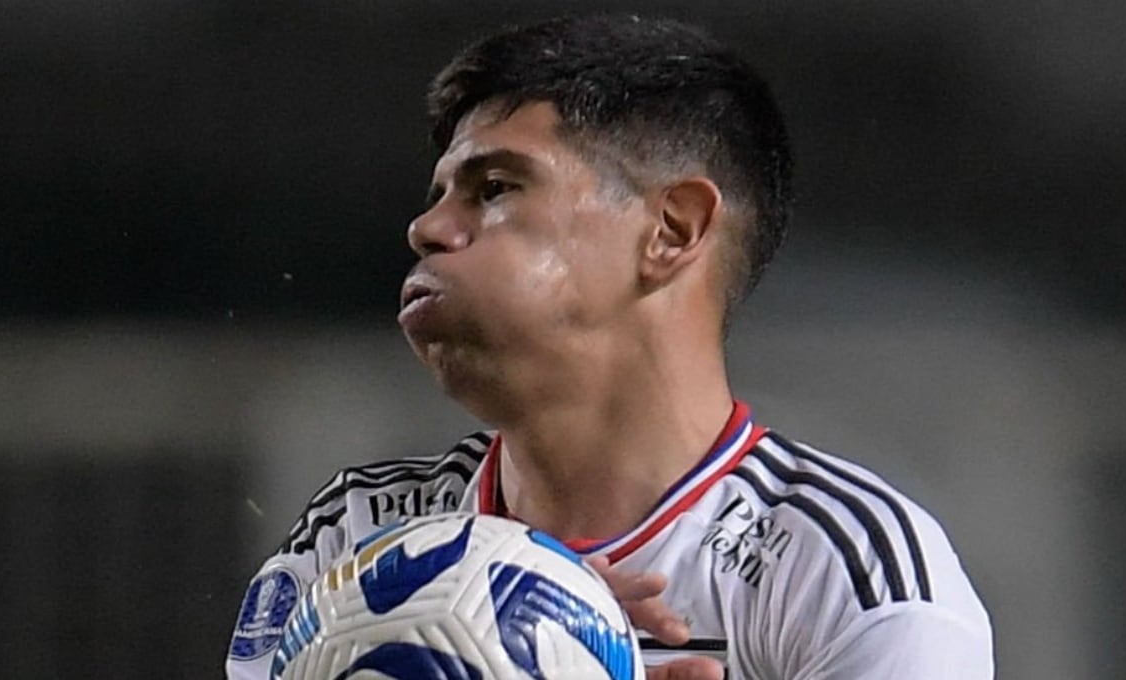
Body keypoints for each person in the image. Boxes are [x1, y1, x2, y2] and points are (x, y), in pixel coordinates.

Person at [227, 14, 993, 680]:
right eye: (439, 195)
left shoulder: (848, 574)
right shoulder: (359, 533)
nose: (427, 229)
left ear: (672, 230)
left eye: (494, 188)